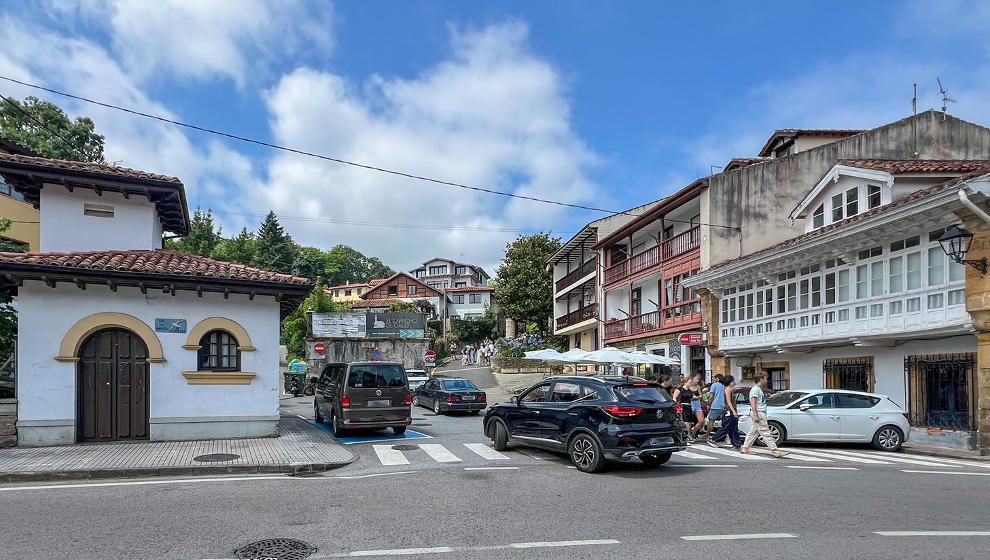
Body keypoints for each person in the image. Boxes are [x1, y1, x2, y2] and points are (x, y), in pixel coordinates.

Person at [741, 372, 789, 458]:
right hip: (759, 412)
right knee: (765, 431)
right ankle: (775, 450)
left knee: (754, 431)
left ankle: (745, 448)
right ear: (761, 379)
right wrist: (756, 415)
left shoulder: (758, 389)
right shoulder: (755, 389)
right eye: (765, 378)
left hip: (758, 412)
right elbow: (753, 402)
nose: (766, 380)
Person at [709, 375, 742, 449]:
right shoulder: (727, 389)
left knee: (734, 428)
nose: (734, 382)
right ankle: (714, 439)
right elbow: (728, 401)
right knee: (726, 427)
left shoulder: (730, 389)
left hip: (731, 410)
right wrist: (733, 411)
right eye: (733, 381)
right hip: (728, 411)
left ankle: (737, 444)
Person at [702, 374, 726, 441]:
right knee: (724, 422)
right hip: (723, 405)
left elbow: (711, 396)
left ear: (717, 379)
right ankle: (727, 437)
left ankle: (707, 435)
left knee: (711, 421)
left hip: (715, 405)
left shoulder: (714, 385)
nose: (714, 380)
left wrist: (709, 404)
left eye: (715, 378)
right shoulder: (724, 386)